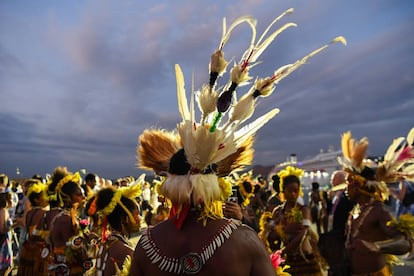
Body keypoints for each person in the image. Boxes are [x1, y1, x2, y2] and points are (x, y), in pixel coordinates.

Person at [338, 130, 413, 275]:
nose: (345, 187)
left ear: (360, 185)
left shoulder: (378, 211)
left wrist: (377, 247)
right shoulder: (356, 210)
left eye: (349, 182)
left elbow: (405, 243)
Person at [262, 166, 325, 275]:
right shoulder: (278, 212)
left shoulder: (304, 210)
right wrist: (282, 230)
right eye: (289, 191)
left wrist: (283, 251)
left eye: (296, 191)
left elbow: (303, 233)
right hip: (289, 261)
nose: (293, 194)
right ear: (283, 191)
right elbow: (269, 235)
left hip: (305, 259)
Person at [88, 184, 142, 276]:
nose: (140, 219)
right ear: (124, 219)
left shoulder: (105, 243)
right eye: (136, 214)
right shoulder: (126, 251)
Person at [48, 171, 88, 276]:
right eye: (79, 194)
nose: (83, 198)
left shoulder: (64, 217)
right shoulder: (65, 220)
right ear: (67, 198)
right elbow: (73, 250)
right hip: (67, 269)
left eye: (84, 194)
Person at [318, 170, 355, 276]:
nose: (331, 181)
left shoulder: (346, 195)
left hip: (342, 233)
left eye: (333, 179)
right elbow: (331, 212)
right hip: (334, 233)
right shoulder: (335, 195)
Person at [17, 179, 49, 276]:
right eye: (44, 196)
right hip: (36, 251)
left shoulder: (31, 212)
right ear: (36, 200)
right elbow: (33, 232)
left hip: (28, 247)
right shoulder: (41, 213)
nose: (47, 198)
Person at [0, 192, 13, 276]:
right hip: (3, 241)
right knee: (5, 267)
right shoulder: (3, 211)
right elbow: (2, 229)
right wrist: (12, 226)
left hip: (5, 240)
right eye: (11, 199)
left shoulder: (4, 211)